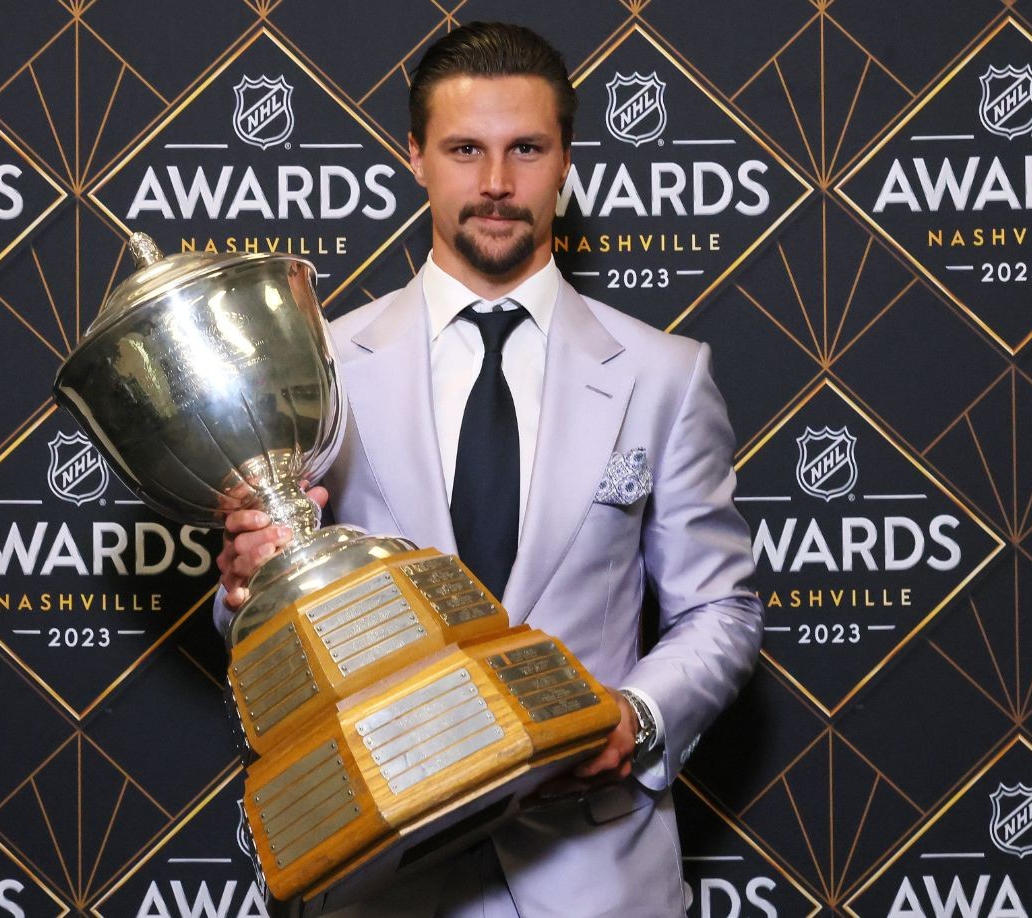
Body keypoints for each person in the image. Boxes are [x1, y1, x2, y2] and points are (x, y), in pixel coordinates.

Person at [215, 21, 763, 918]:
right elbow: (257, 614)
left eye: (527, 149)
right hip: (386, 875)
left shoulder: (664, 374)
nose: (497, 183)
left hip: (596, 870)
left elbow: (720, 607)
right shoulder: (319, 366)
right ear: (415, 157)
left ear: (566, 161)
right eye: (465, 149)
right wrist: (244, 588)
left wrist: (637, 718)